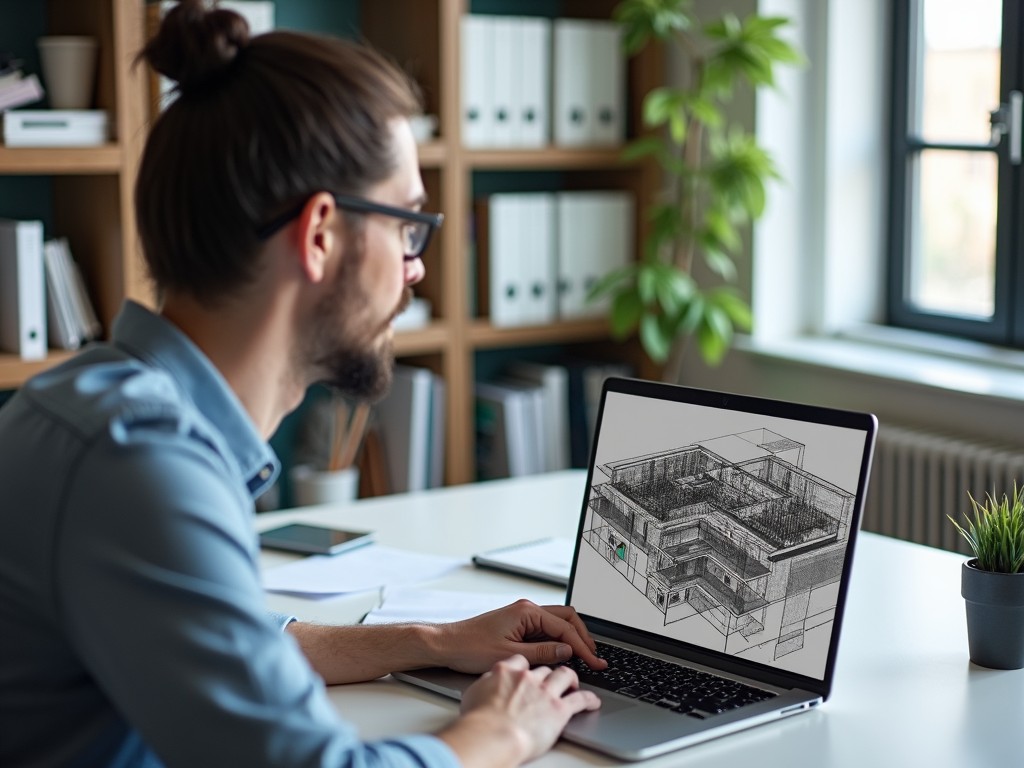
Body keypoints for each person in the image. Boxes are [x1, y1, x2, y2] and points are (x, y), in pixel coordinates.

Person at [0, 2, 606, 766]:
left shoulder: (102, 405)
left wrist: (430, 640)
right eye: (407, 225)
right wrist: (495, 734)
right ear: (321, 234)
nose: (418, 267)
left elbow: (227, 642)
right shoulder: (139, 460)